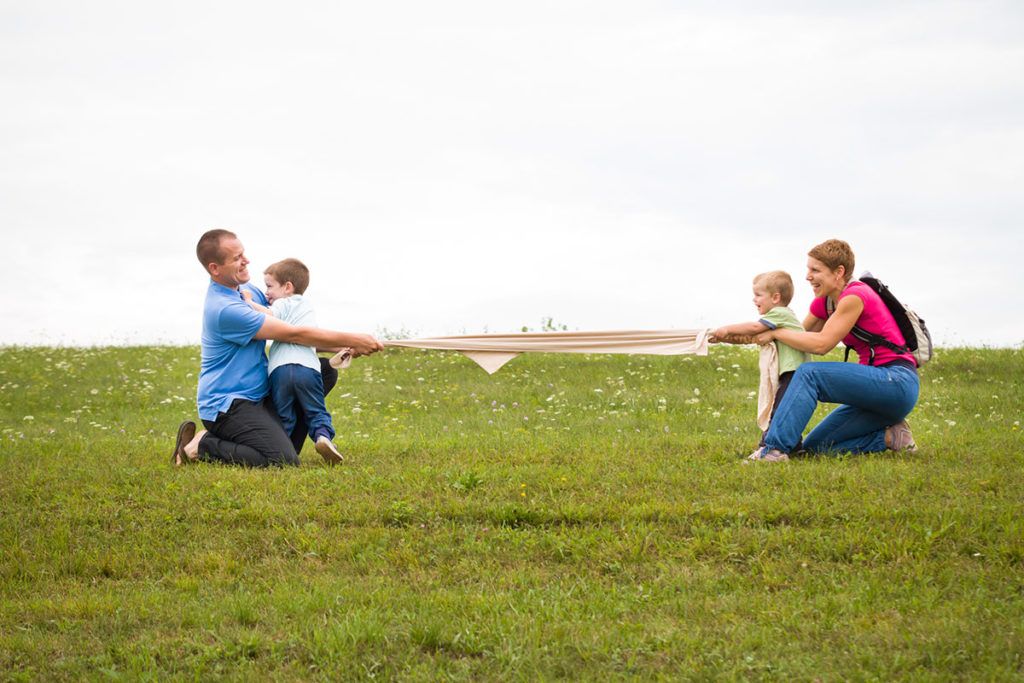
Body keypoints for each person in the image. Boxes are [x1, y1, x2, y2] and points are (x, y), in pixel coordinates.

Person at [171, 229, 383, 467]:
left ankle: (277, 442)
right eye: (236, 258)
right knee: (282, 460)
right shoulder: (226, 310)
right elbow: (293, 333)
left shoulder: (248, 292)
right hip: (228, 405)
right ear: (214, 268)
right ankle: (204, 444)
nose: (246, 261)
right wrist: (354, 339)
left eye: (244, 253)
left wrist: (343, 346)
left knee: (323, 371)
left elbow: (293, 322)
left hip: (260, 394)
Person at [748, 239, 920, 462]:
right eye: (808, 269)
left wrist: (775, 333)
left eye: (815, 270)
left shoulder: (856, 296)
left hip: (896, 382)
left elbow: (821, 344)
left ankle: (773, 450)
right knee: (816, 447)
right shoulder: (825, 303)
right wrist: (745, 334)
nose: (808, 276)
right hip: (875, 394)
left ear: (839, 272)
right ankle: (891, 437)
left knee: (810, 374)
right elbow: (795, 336)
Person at [240, 257, 345, 464]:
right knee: (316, 410)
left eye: (270, 286)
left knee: (283, 415)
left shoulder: (284, 303)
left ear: (287, 287)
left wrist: (249, 303)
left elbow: (269, 315)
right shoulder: (306, 307)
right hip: (308, 369)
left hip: (280, 372)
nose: (267, 292)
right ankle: (323, 437)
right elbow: (314, 339)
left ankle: (281, 450)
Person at [710, 270, 809, 456]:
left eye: (758, 295)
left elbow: (755, 328)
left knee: (779, 410)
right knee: (785, 409)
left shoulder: (780, 313)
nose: (754, 300)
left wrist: (726, 329)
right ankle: (796, 447)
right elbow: (752, 336)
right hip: (790, 372)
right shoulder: (779, 317)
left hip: (794, 373)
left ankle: (767, 446)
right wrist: (724, 338)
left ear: (775, 297)